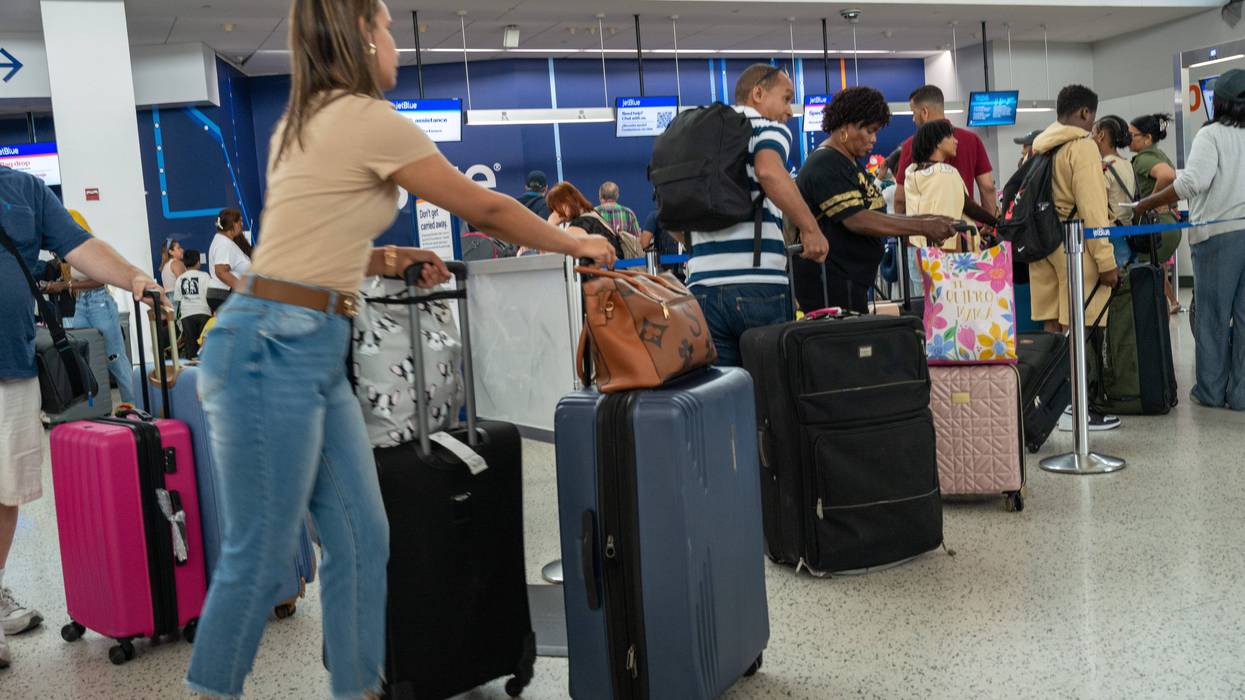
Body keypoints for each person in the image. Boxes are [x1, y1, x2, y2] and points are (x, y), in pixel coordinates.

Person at [182, 2, 615, 697]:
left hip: (310, 344)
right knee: (260, 553)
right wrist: (577, 239)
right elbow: (487, 209)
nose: (391, 41)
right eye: (384, 26)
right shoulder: (363, 116)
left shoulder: (307, 119)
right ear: (361, 34)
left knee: (362, 540)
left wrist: (383, 257)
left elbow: (310, 238)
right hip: (270, 346)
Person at [0, 164, 162, 672]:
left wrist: (134, 276)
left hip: (11, 365)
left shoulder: (24, 189)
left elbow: (78, 245)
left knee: (5, 491)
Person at [684, 64, 828, 366]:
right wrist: (811, 229)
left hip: (701, 290)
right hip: (758, 287)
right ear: (758, 93)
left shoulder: (698, 137)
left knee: (724, 397)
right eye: (786, 98)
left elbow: (670, 213)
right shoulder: (766, 128)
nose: (790, 111)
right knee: (770, 394)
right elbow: (768, 171)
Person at [1132, 69, 1245, 410]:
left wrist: (1145, 203)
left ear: (1219, 103)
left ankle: (1211, 392)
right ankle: (1241, 395)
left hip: (1218, 235)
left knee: (1211, 316)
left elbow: (1191, 182)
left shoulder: (1211, 135)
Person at [793, 86, 957, 314]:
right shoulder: (825, 164)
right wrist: (922, 225)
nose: (873, 139)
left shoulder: (846, 161)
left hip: (850, 281)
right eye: (869, 130)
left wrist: (928, 219)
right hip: (832, 284)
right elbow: (857, 219)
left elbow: (873, 214)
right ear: (845, 127)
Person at [1027, 84, 1121, 431]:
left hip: (1041, 244)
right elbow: (1095, 211)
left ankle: (1047, 404)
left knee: (1053, 327)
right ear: (1084, 113)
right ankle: (1074, 407)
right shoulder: (1081, 148)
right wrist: (1107, 261)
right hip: (1072, 244)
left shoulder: (1039, 147)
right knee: (1078, 327)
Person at [59, 210, 138, 407]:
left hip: (99, 303)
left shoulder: (89, 246)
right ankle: (94, 408)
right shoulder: (68, 251)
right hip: (82, 304)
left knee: (115, 357)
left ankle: (135, 405)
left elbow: (100, 279)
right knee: (85, 358)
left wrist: (67, 286)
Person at [894, 85, 997, 220]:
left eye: (914, 113)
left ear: (925, 112)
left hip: (924, 233)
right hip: (965, 228)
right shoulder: (972, 140)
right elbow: (987, 187)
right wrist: (989, 222)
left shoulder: (910, 146)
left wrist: (902, 230)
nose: (913, 119)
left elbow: (900, 199)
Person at [903, 119, 997, 251]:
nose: (956, 140)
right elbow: (968, 206)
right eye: (950, 136)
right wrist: (996, 222)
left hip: (918, 247)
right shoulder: (946, 173)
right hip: (946, 251)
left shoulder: (912, 172)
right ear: (938, 142)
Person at [1128, 113, 1183, 313]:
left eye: (1132, 135)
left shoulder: (1144, 159)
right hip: (1171, 225)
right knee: (1158, 278)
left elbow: (1166, 176)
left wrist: (1149, 202)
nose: (1127, 139)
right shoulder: (1161, 155)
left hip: (1157, 227)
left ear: (1147, 138)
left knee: (1148, 285)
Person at [545, 182, 643, 259]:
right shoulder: (594, 215)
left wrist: (551, 223)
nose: (555, 213)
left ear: (566, 203)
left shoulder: (579, 225)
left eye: (555, 207)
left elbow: (549, 259)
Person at [1091, 115, 1138, 269]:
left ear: (1101, 136)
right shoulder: (1127, 164)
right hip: (1129, 231)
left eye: (1093, 133)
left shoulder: (1104, 166)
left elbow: (1100, 206)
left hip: (1113, 235)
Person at [206, 208, 251, 313]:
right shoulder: (223, 243)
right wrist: (244, 289)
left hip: (224, 294)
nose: (242, 224)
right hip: (224, 294)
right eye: (240, 221)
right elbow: (220, 271)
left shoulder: (224, 241)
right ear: (234, 224)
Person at [174, 249, 212, 360]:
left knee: (191, 348)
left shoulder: (180, 279)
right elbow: (208, 295)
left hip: (187, 315)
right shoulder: (205, 276)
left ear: (184, 263)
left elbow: (178, 299)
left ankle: (191, 373)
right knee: (205, 347)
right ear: (198, 262)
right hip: (203, 313)